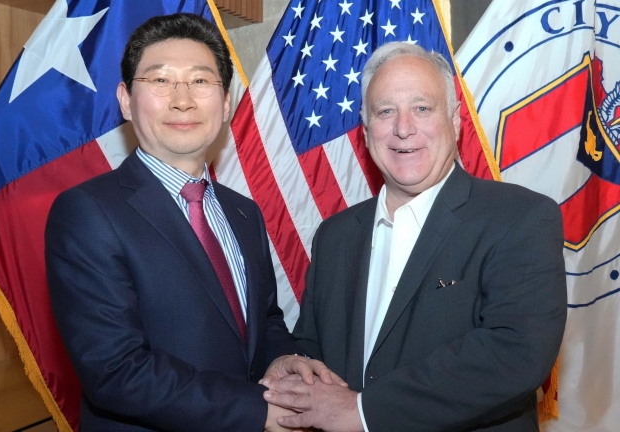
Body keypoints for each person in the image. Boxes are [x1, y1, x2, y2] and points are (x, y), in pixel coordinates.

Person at [45, 13, 340, 432]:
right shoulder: (87, 212)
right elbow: (115, 372)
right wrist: (256, 411)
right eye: (160, 80)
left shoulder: (243, 212)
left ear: (224, 103)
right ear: (126, 100)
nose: (182, 99)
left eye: (201, 81)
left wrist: (282, 359)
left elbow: (265, 319)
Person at [263, 42, 568, 431]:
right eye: (385, 111)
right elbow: (314, 345)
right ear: (366, 127)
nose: (403, 127)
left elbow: (516, 351)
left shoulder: (520, 217)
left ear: (455, 120)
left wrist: (362, 412)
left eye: (422, 108)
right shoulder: (335, 236)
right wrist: (295, 366)